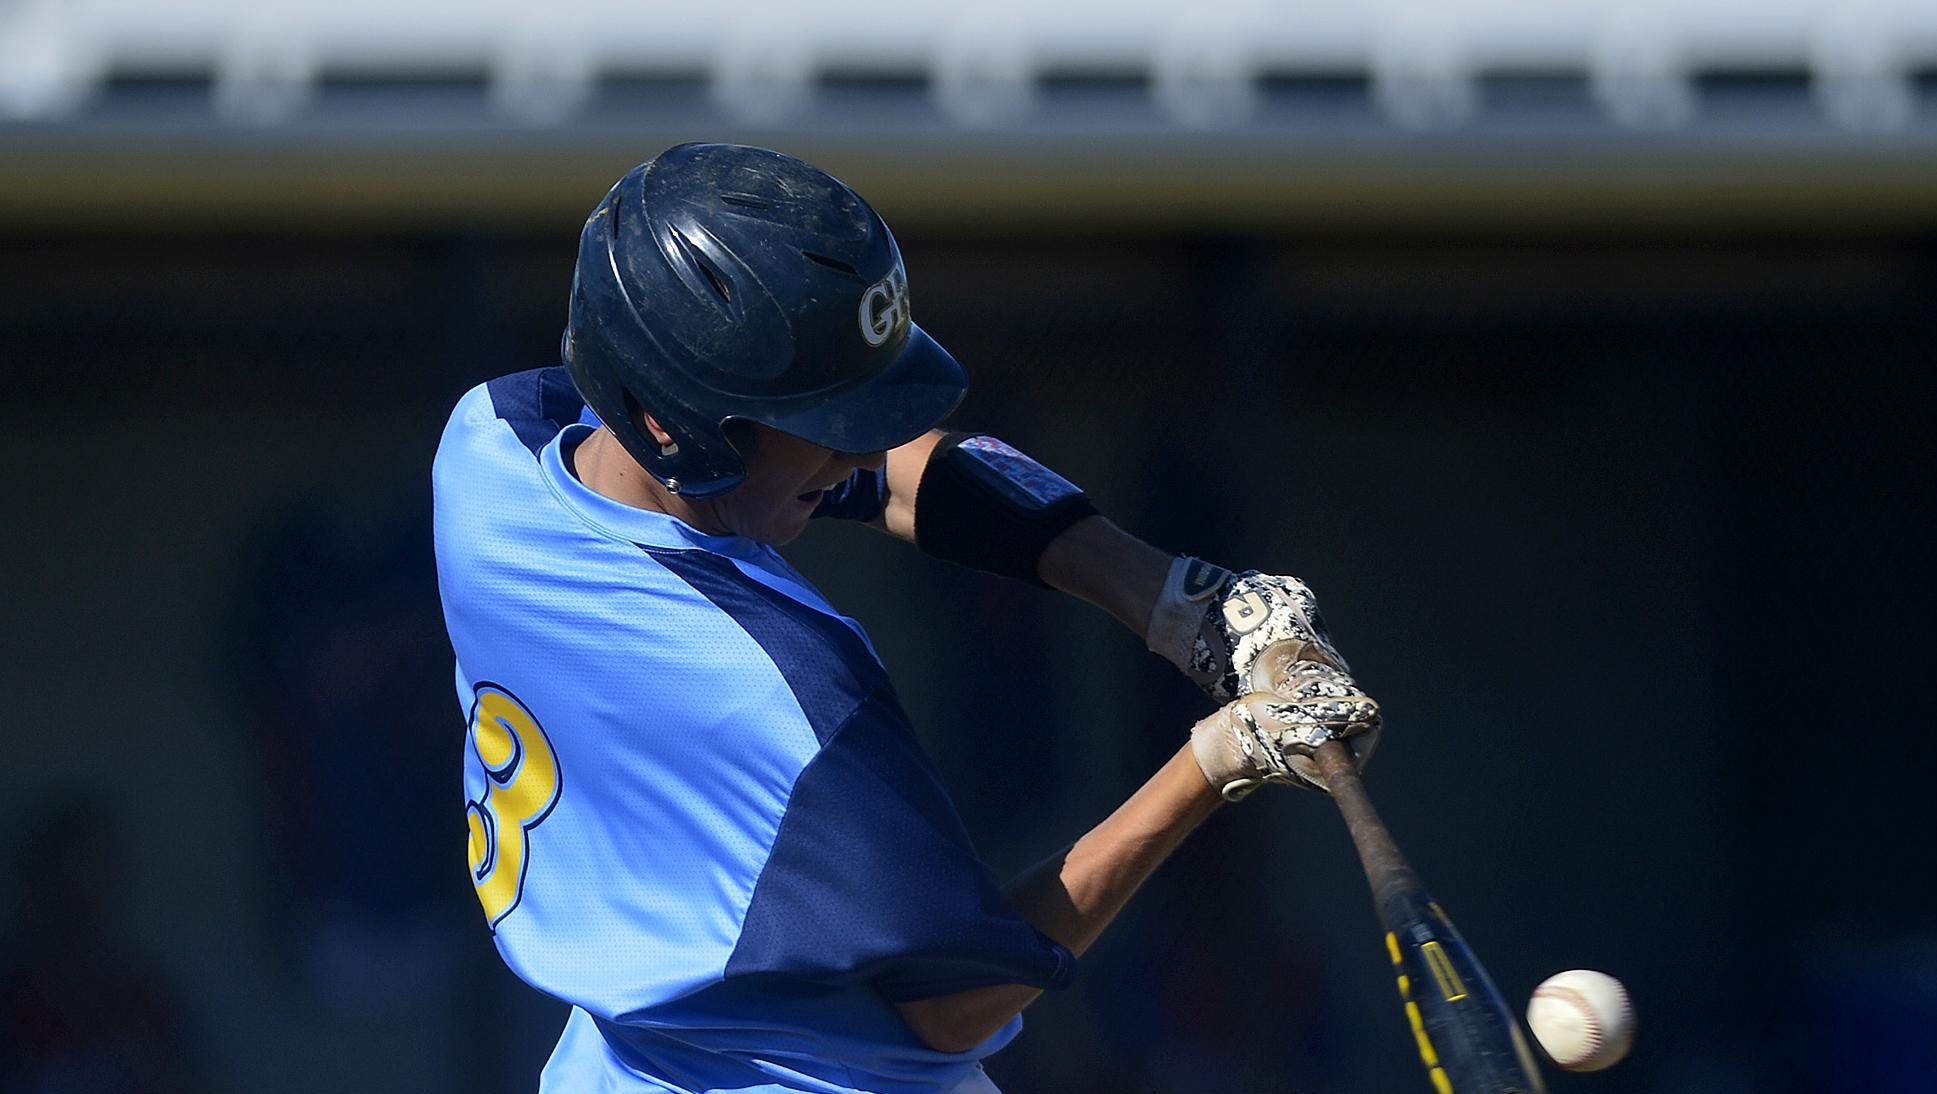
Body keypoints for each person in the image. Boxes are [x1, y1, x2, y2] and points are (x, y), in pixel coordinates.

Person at [431, 143, 1381, 1094]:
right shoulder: (789, 695)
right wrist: (1217, 760)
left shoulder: (490, 450)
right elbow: (962, 1002)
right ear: (673, 425)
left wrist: (1178, 600)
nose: (857, 451)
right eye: (823, 424)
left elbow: (894, 469)